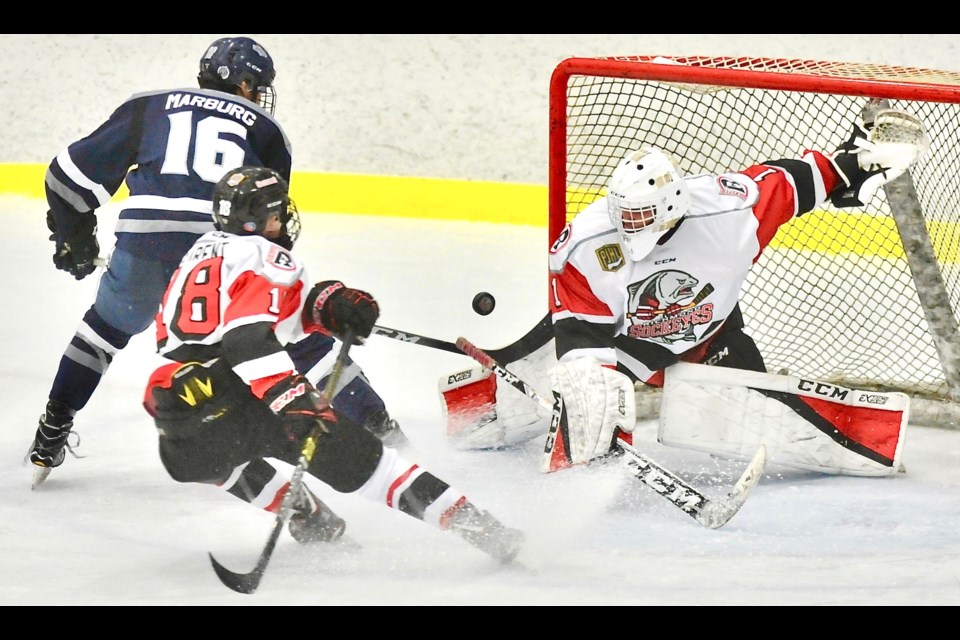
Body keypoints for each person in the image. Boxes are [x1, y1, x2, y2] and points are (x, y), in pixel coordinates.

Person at [440, 108, 929, 472]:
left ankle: (861, 441)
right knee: (586, 390)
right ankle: (494, 412)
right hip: (620, 340)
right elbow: (580, 329)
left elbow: (799, 179)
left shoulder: (730, 210)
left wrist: (857, 163)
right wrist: (590, 380)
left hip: (709, 338)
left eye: (639, 216)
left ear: (673, 205)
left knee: (756, 427)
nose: (627, 225)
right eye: (623, 214)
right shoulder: (586, 243)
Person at [27, 36, 405, 491]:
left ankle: (52, 429)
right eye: (257, 84)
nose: (260, 94)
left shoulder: (146, 107)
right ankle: (382, 429)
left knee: (101, 333)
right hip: (223, 250)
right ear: (242, 82)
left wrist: (76, 240)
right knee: (295, 337)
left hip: (145, 243)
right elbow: (270, 221)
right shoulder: (267, 130)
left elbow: (65, 178)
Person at [143, 165, 525, 560]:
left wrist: (328, 305)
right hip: (242, 393)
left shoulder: (198, 253)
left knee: (216, 457)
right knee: (375, 471)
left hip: (176, 412)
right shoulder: (266, 254)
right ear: (262, 221)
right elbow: (246, 341)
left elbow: (255, 322)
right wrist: (293, 401)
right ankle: (481, 527)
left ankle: (307, 516)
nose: (282, 222)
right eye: (276, 215)